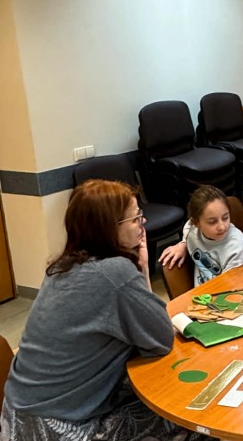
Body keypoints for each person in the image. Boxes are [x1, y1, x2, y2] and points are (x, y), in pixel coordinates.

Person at [0, 180, 202, 440]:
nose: (143, 223)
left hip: (17, 418)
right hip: (57, 428)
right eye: (135, 219)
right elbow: (161, 337)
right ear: (108, 228)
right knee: (188, 413)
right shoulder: (114, 273)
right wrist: (141, 268)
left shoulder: (62, 267)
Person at [158, 185, 243, 286]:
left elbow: (230, 286)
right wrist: (183, 243)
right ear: (196, 223)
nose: (222, 227)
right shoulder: (191, 230)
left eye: (225, 218)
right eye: (212, 222)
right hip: (206, 290)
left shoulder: (236, 246)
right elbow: (188, 226)